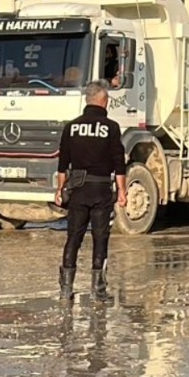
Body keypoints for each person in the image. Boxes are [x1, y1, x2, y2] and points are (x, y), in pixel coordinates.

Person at [54, 80, 127, 295]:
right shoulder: (111, 128)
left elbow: (62, 163)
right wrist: (122, 191)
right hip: (101, 189)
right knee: (100, 237)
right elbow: (119, 162)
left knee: (73, 237)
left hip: (77, 189)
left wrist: (60, 190)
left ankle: (66, 288)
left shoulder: (72, 127)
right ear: (104, 101)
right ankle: (98, 288)